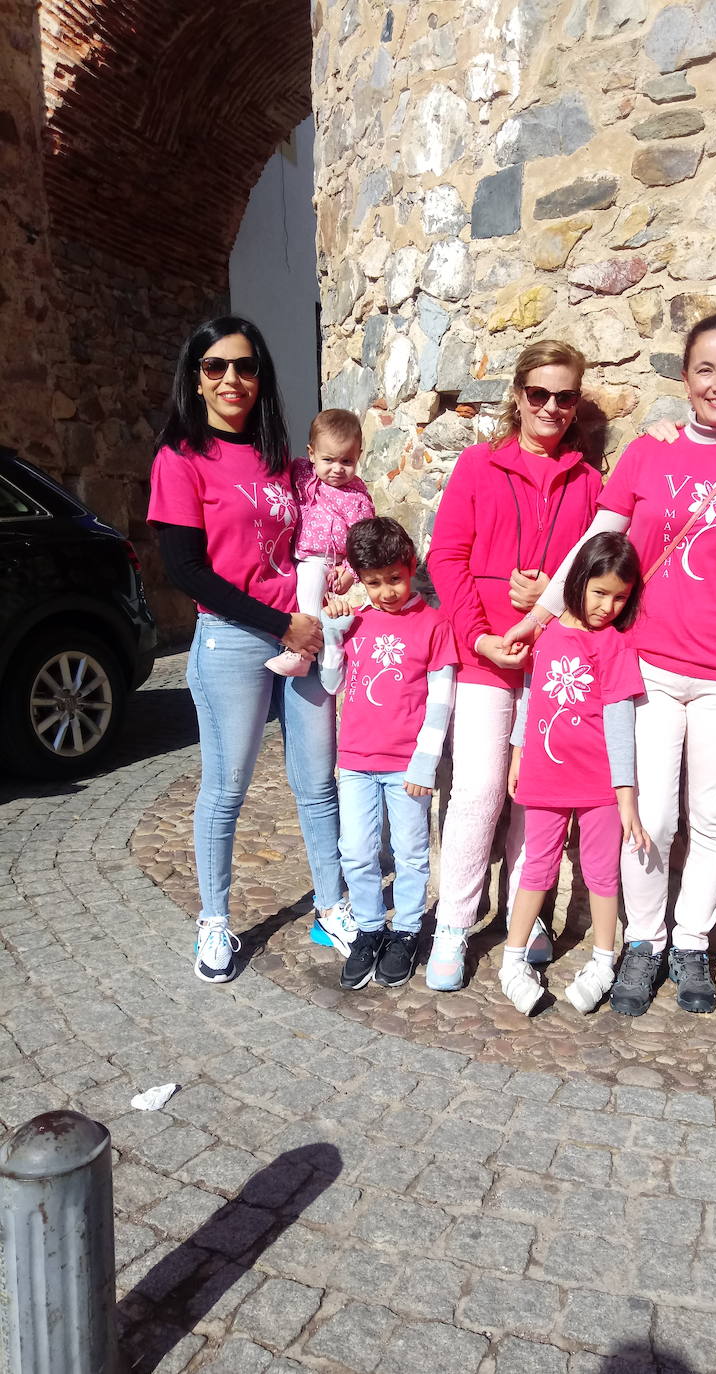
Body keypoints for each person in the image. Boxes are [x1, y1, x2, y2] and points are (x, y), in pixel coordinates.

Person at [506, 313, 716, 1016]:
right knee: (650, 817)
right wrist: (534, 621)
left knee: (710, 819)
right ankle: (643, 942)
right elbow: (593, 546)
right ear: (685, 377)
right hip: (644, 668)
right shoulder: (648, 454)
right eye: (705, 369)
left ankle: (691, 944)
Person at [148, 315, 347, 982]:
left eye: (245, 366)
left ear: (260, 379)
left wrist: (335, 575)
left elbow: (311, 539)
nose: (232, 379)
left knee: (317, 782)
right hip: (231, 637)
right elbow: (187, 572)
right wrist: (276, 620)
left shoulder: (278, 460)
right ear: (197, 379)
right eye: (216, 367)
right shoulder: (179, 459)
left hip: (302, 629)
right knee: (226, 787)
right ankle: (214, 922)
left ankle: (332, 906)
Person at [425, 339, 603, 990]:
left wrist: (549, 602)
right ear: (518, 396)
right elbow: (447, 557)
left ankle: (524, 922)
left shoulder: (589, 482)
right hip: (483, 656)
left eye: (564, 396)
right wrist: (479, 637)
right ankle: (453, 923)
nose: (550, 407)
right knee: (475, 790)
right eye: (538, 394)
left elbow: (599, 575)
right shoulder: (478, 466)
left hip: (555, 665)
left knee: (539, 800)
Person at [501, 533, 649, 1015]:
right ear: (579, 581)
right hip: (545, 774)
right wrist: (519, 751)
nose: (608, 605)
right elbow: (531, 694)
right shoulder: (545, 635)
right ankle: (513, 959)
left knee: (602, 871)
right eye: (600, 591)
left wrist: (625, 794)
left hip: (600, 783)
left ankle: (604, 959)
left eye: (620, 596)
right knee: (536, 865)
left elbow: (621, 723)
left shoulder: (615, 645)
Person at [321, 518, 459, 990]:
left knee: (410, 851)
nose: (385, 592)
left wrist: (426, 759)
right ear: (360, 579)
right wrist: (335, 637)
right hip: (357, 760)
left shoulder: (434, 624)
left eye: (394, 579)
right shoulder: (356, 620)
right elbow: (332, 684)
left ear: (411, 567)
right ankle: (370, 928)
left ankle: (405, 931)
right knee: (356, 851)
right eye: (373, 583)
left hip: (407, 766)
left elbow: (442, 699)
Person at [264, 408, 374, 679]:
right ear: (311, 454)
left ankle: (308, 651)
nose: (337, 469)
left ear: (358, 456)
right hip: (302, 558)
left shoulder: (357, 498)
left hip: (332, 564)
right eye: (328, 459)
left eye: (347, 461)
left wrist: (350, 572)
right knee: (308, 587)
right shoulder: (302, 473)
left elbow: (363, 539)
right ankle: (319, 652)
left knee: (319, 593)